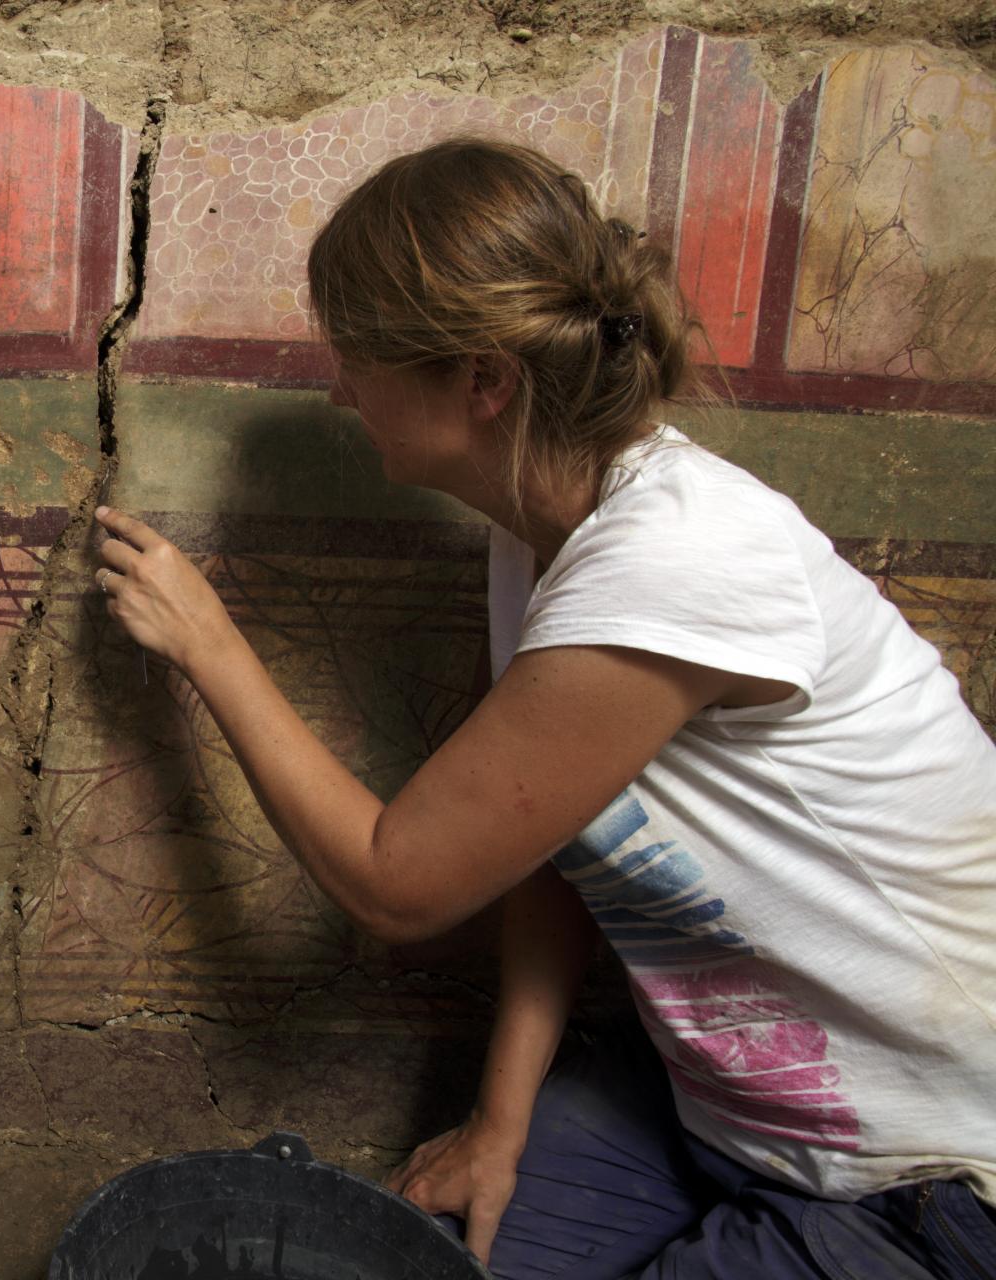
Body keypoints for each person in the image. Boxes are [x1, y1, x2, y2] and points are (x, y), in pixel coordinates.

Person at [92, 138, 996, 1278]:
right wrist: (500, 1123)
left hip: (933, 1172)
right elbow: (550, 846)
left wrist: (204, 642)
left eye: (360, 357)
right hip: (719, 1107)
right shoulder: (547, 533)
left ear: (482, 381)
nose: (337, 387)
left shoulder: (672, 557)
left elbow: (399, 880)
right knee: (430, 1253)